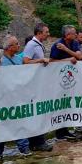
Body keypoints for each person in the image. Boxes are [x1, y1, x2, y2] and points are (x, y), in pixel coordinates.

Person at [0, 35, 32, 160]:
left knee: (19, 122)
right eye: (16, 44)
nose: (19, 46)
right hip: (2, 98)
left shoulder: (19, 59)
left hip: (17, 97)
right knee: (0, 123)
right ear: (9, 47)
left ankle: (24, 149)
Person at [22, 23, 53, 152]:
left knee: (39, 112)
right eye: (46, 32)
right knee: (36, 113)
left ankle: (36, 142)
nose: (48, 34)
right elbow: (26, 61)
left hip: (38, 84)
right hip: (33, 85)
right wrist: (41, 61)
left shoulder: (38, 45)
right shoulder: (31, 45)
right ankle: (38, 142)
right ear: (39, 33)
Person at [50, 25, 82, 140]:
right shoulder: (57, 45)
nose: (76, 35)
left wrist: (66, 50)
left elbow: (78, 56)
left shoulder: (74, 43)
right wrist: (68, 59)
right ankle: (59, 132)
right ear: (67, 35)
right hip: (59, 78)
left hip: (72, 79)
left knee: (69, 102)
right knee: (61, 103)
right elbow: (52, 61)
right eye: (74, 33)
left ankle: (66, 130)